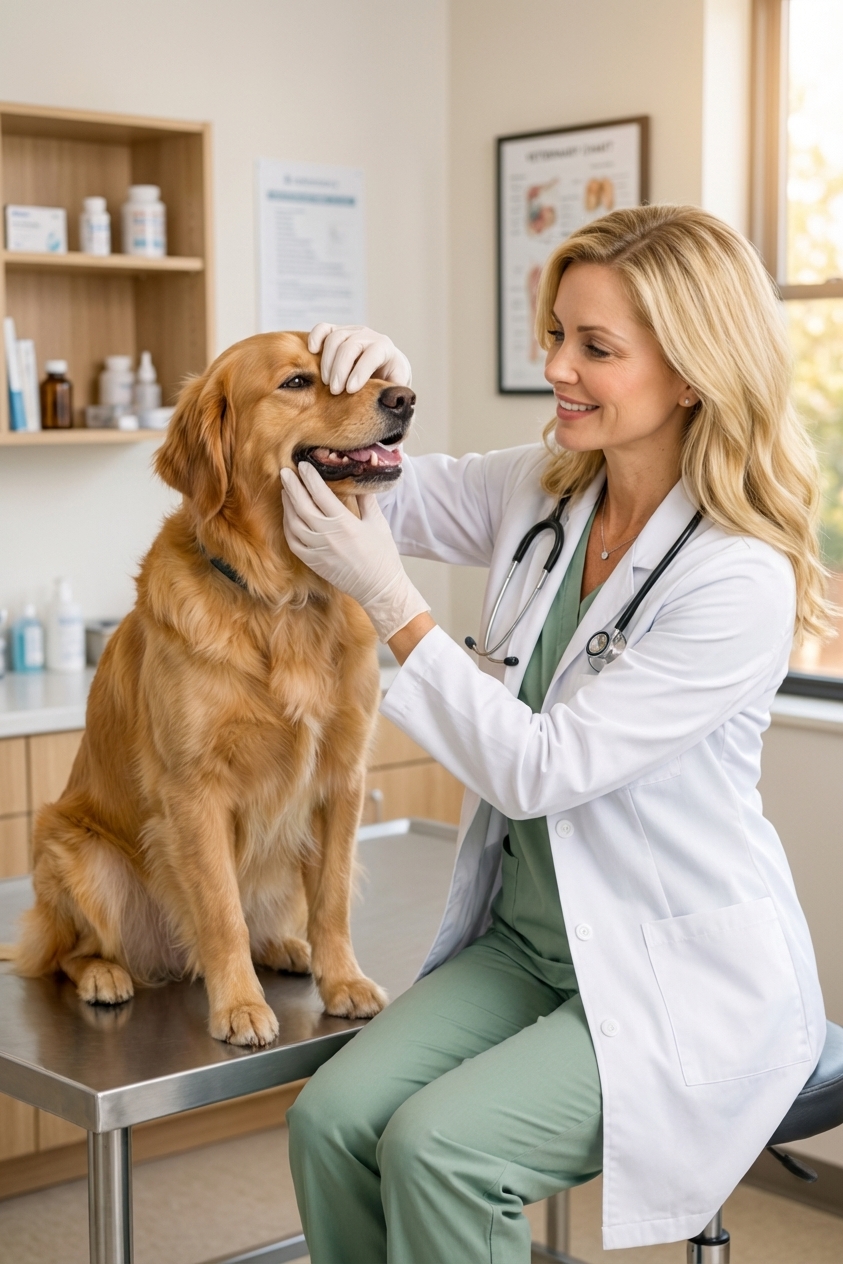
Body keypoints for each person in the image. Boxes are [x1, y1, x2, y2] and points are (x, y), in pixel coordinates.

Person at [280, 204, 829, 1263]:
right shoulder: (542, 491)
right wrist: (369, 386)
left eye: (595, 347)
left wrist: (397, 608)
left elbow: (544, 769)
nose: (558, 369)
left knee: (442, 1150)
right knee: (332, 1119)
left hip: (672, 968)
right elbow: (369, 477)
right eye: (555, 336)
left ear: (690, 372)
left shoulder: (737, 578)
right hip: (534, 945)